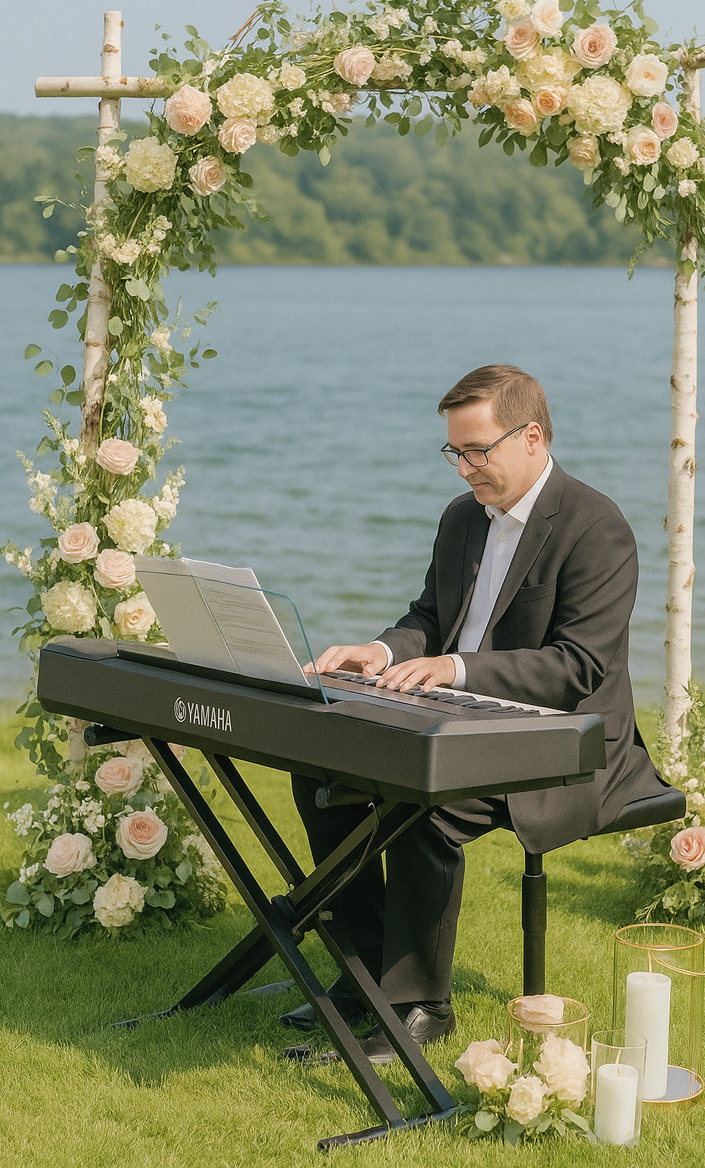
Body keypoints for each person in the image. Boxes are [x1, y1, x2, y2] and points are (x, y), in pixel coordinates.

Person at [281, 364, 661, 1062]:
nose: (463, 470)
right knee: (323, 773)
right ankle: (362, 977)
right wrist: (379, 648)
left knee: (424, 802)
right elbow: (430, 616)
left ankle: (417, 1007)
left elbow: (580, 665)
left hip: (568, 746)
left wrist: (456, 668)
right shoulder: (463, 518)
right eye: (454, 452)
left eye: (477, 452)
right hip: (464, 718)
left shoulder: (596, 526)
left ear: (533, 437)